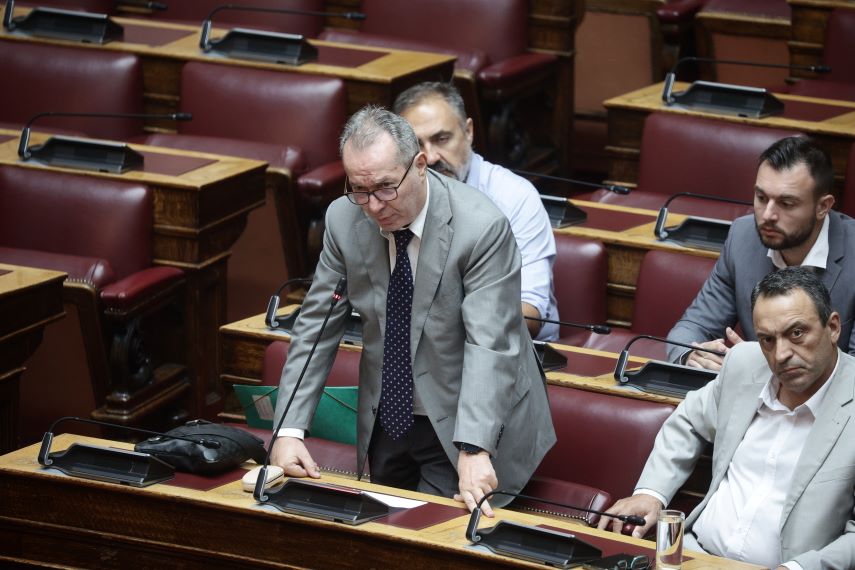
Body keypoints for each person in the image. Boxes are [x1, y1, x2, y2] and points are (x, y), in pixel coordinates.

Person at [270, 106, 556, 516]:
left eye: (386, 188)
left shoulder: (481, 226)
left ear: (420, 166)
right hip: (391, 409)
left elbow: (490, 343)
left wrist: (475, 446)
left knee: (429, 528)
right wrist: (288, 428)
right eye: (359, 190)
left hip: (467, 410)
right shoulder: (343, 218)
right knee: (381, 523)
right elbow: (318, 324)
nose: (373, 206)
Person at [600, 267, 855, 569]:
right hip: (692, 555)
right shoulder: (744, 362)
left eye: (796, 333)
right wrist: (651, 493)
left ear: (833, 327)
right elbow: (688, 421)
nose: (781, 355)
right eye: (767, 340)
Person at [667, 136, 855, 369]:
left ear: (823, 207)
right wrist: (692, 355)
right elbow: (691, 328)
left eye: (786, 203)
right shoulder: (742, 237)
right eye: (761, 198)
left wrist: (760, 367)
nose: (767, 215)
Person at [392, 82, 559, 341]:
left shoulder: (514, 197)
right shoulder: (393, 200)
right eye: (417, 145)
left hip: (512, 350)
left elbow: (530, 315)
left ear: (468, 131)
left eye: (442, 139)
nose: (431, 157)